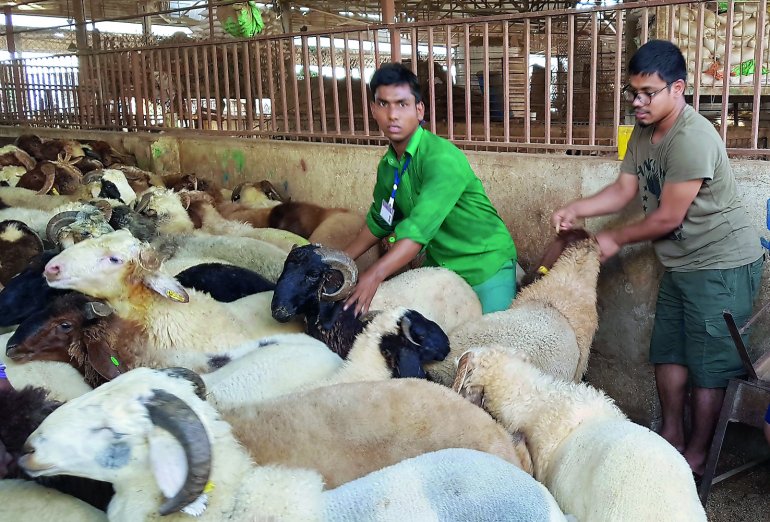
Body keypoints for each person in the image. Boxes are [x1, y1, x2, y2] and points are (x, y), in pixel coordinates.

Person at [551, 40, 764, 476]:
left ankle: (699, 455)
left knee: (710, 365)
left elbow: (667, 217)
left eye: (648, 92)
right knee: (668, 352)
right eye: (634, 92)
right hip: (681, 264)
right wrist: (579, 208)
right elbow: (624, 190)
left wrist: (613, 238)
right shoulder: (646, 134)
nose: (638, 102)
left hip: (721, 264)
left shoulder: (694, 138)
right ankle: (672, 435)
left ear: (678, 89)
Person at [343, 62, 517, 316]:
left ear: (419, 109)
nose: (392, 114)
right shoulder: (388, 165)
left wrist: (373, 276)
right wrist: (342, 260)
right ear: (373, 109)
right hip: (441, 267)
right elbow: (382, 218)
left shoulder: (441, 159)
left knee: (490, 344)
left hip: (484, 263)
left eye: (402, 104)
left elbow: (417, 233)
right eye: (383, 104)